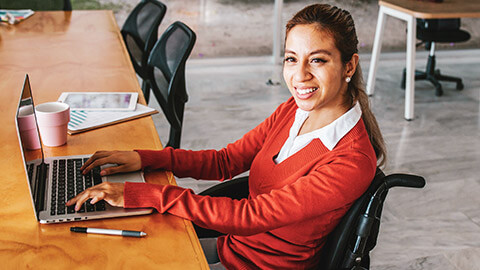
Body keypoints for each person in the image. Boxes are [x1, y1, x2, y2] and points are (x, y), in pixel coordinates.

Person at [67, 3, 386, 269]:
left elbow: (252, 216)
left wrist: (144, 194)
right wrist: (147, 158)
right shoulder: (294, 109)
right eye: (291, 58)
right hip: (234, 247)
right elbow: (226, 161)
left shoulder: (350, 159)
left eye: (317, 59)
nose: (299, 75)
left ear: (349, 66)